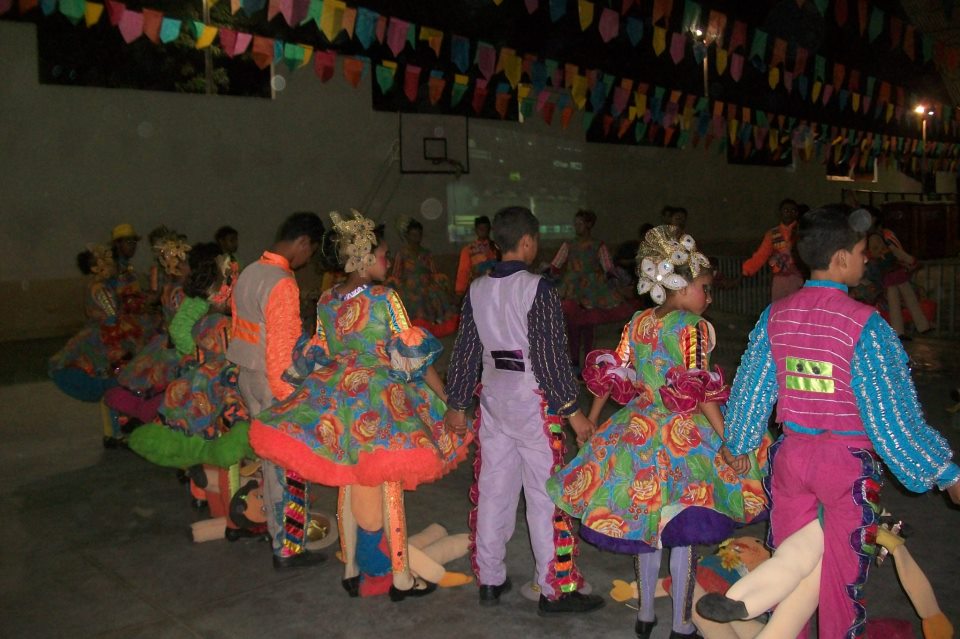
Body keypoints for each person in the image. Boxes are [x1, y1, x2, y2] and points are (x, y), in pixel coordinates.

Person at [696, 205, 960, 638]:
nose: (866, 259)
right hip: (844, 467)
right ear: (840, 258)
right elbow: (893, 419)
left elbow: (751, 390)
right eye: (861, 251)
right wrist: (944, 472)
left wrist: (738, 442)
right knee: (839, 577)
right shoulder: (865, 325)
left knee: (793, 564)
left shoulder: (776, 315)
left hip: (791, 459)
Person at [548, 225, 769, 639]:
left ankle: (646, 615)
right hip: (683, 438)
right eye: (705, 288)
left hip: (639, 430)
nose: (709, 297)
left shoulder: (640, 322)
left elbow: (614, 372)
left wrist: (592, 420)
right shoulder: (693, 327)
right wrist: (728, 441)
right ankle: (681, 624)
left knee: (647, 528)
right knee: (683, 534)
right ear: (680, 286)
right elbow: (700, 389)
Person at [249, 210, 471, 599]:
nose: (389, 260)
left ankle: (353, 568)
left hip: (340, 399)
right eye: (384, 254)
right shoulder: (385, 298)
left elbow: (319, 352)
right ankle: (399, 576)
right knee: (388, 487)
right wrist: (450, 400)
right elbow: (413, 359)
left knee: (350, 480)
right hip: (382, 402)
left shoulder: (327, 300)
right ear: (365, 258)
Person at [444, 206, 605, 616]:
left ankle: (490, 579)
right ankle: (555, 587)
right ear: (529, 242)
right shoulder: (538, 288)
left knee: (494, 487)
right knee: (544, 493)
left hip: (494, 399)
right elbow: (550, 359)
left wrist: (458, 404)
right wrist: (574, 413)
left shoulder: (477, 289)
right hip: (532, 402)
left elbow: (465, 353)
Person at [225, 211, 327, 570]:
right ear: (303, 242)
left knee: (269, 463)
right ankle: (289, 547)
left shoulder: (250, 271)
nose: (307, 260)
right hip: (273, 383)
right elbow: (283, 351)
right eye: (310, 252)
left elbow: (239, 327)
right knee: (289, 466)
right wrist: (291, 399)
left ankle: (273, 529)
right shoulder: (282, 281)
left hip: (247, 375)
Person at [49, 245, 148, 410]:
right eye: (107, 264)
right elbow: (111, 314)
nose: (112, 266)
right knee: (115, 367)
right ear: (96, 268)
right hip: (107, 332)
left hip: (102, 329)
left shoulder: (98, 285)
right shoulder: (100, 288)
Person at [549, 208, 627, 368]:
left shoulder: (598, 245)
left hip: (591, 290)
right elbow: (556, 264)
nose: (576, 227)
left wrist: (612, 279)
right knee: (572, 325)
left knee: (588, 325)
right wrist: (552, 276)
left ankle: (588, 361)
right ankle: (574, 361)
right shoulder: (569, 244)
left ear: (589, 224)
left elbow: (608, 266)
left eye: (580, 223)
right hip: (572, 289)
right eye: (575, 224)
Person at [387, 216, 459, 337]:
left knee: (436, 294)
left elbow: (434, 272)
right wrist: (398, 283)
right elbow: (396, 273)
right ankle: (411, 328)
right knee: (414, 298)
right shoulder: (402, 253)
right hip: (408, 285)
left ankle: (434, 326)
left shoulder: (426, 253)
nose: (416, 238)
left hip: (427, 284)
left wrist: (435, 280)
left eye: (418, 235)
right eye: (413, 235)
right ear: (407, 236)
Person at [867, 211, 931, 339]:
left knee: (895, 304)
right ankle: (921, 327)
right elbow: (896, 253)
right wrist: (911, 260)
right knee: (908, 300)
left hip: (889, 275)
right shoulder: (881, 240)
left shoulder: (872, 240)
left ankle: (901, 331)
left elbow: (880, 253)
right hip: (895, 274)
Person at [741, 199, 803, 301]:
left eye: (793, 211)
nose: (789, 214)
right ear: (780, 213)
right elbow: (761, 256)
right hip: (780, 279)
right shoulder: (772, 234)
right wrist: (746, 271)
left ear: (797, 213)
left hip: (799, 277)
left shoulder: (802, 231)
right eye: (786, 211)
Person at [455, 215, 499, 297]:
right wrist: (460, 291)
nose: (483, 231)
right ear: (476, 230)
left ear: (489, 229)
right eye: (480, 228)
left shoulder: (496, 247)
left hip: (496, 286)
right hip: (477, 288)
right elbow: (463, 271)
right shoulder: (468, 250)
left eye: (485, 228)